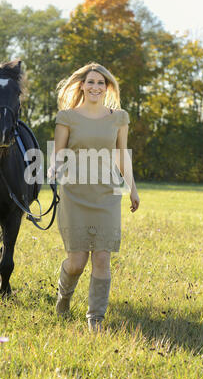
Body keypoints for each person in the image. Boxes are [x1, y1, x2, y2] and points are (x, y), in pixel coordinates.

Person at [48, 62, 140, 332]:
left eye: (101, 83)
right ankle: (63, 297)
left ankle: (95, 319)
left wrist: (132, 188)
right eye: (91, 82)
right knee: (77, 262)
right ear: (82, 85)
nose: (95, 87)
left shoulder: (119, 117)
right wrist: (53, 169)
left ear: (107, 87)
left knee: (102, 257)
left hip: (107, 192)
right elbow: (58, 153)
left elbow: (122, 154)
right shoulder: (67, 116)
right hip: (75, 192)